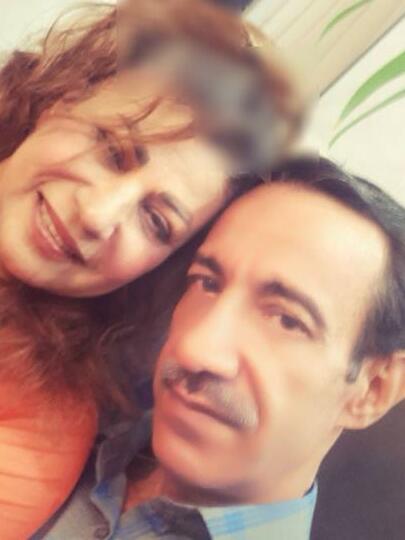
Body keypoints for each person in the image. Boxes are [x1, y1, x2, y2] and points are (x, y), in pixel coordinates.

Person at [0, 1, 303, 538]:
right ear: (59, 96)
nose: (98, 215)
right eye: (111, 150)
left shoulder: (46, 419)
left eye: (156, 222)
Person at [34, 156, 405, 540]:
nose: (195, 349)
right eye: (206, 283)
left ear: (373, 389)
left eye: (286, 320)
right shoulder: (73, 411)